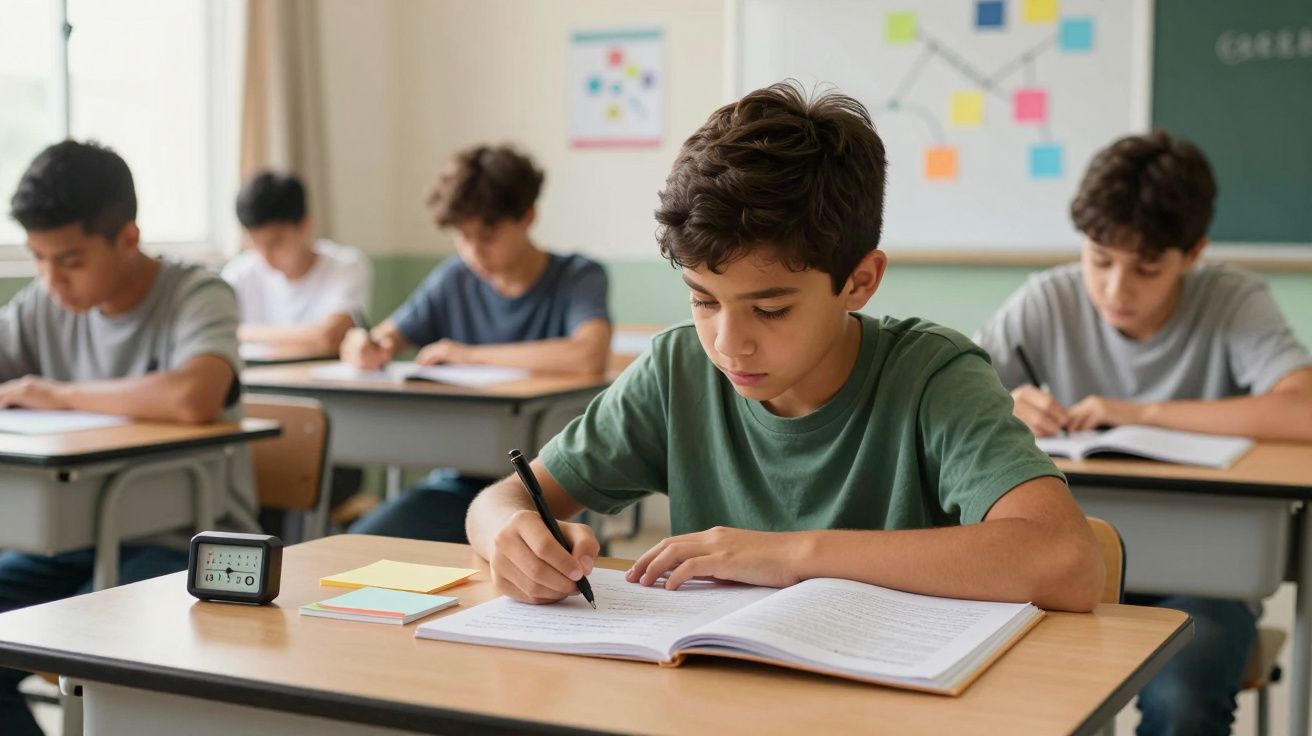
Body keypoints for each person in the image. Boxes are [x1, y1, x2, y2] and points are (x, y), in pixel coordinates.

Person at [464, 82, 1104, 617]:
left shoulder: (933, 376)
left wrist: (792, 554)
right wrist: (508, 534)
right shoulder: (678, 369)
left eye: (770, 310)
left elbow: (1068, 561)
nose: (728, 343)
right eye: (703, 300)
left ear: (860, 282)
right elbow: (502, 500)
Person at [974, 129, 1312, 736]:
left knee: (1183, 705)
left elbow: (1304, 409)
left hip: (1205, 580)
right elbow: (946, 402)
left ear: (1194, 253)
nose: (1115, 289)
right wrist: (1006, 404)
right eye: (1100, 259)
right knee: (1004, 693)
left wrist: (1142, 413)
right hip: (1066, 575)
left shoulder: (1232, 301)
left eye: (1147, 268)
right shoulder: (1048, 299)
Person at [0, 140, 259, 736]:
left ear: (127, 238)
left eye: (69, 260)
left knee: (86, 637)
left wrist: (59, 394)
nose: (51, 280)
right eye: (38, 258)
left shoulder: (198, 293)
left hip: (192, 541)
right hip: (72, 536)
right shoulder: (41, 305)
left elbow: (193, 395)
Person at [344, 144, 611, 542]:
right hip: (461, 484)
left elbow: (589, 354)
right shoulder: (454, 278)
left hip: (551, 487)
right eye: (463, 237)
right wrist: (364, 345)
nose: (473, 252)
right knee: (365, 540)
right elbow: (387, 336)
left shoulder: (577, 276)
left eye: (487, 236)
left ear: (527, 217)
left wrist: (469, 356)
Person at [223, 171, 371, 357]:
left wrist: (240, 332)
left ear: (304, 226)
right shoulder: (239, 273)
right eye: (255, 243)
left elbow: (330, 337)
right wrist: (308, 337)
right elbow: (211, 333)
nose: (265, 255)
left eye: (275, 243)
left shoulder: (346, 265)